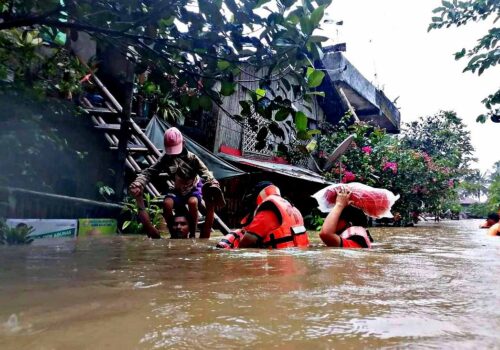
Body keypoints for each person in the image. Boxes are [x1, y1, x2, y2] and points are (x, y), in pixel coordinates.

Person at [129, 127, 224, 238]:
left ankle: (193, 233)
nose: (179, 226)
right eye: (177, 225)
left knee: (193, 202)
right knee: (167, 203)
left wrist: (213, 183)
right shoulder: (165, 158)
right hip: (177, 189)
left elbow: (205, 172)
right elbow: (149, 172)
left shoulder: (192, 158)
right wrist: (139, 183)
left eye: (182, 224)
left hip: (193, 187)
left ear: (183, 143)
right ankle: (172, 233)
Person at [216, 181, 309, 249]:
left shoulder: (267, 211)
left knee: (237, 234)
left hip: (278, 262)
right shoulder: (294, 210)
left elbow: (247, 241)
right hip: (292, 261)